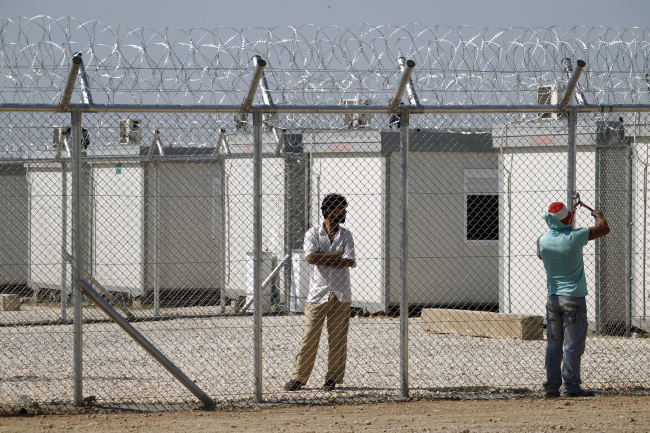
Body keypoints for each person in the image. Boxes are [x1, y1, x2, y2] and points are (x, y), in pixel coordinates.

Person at [537, 201, 610, 398]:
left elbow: (541, 256)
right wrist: (597, 214)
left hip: (553, 299)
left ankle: (551, 388)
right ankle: (571, 387)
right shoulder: (576, 237)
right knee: (572, 345)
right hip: (574, 299)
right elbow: (604, 229)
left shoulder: (542, 240)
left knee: (553, 345)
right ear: (567, 218)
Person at [284, 194, 356, 392]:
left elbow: (349, 261)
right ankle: (299, 378)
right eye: (341, 209)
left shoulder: (346, 235)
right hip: (318, 294)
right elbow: (310, 258)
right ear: (330, 211)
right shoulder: (313, 233)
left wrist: (323, 257)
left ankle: (332, 379)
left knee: (338, 339)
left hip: (341, 293)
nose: (345, 212)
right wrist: (335, 256)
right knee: (310, 336)